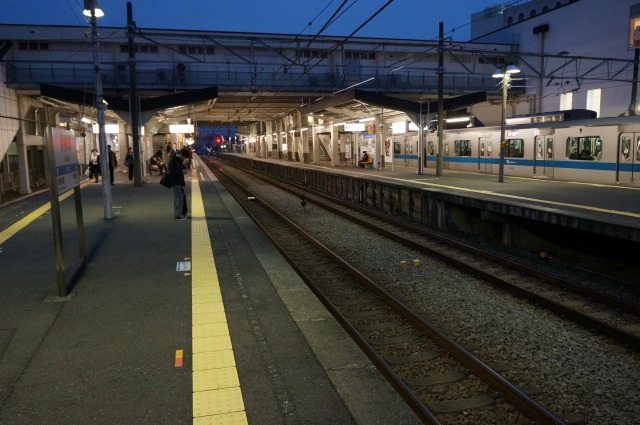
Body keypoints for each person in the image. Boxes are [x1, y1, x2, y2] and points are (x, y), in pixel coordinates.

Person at [167, 145, 188, 220]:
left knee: (177, 198)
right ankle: (179, 214)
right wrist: (180, 170)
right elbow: (172, 172)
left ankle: (177, 214)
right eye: (184, 157)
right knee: (179, 198)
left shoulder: (176, 160)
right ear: (181, 155)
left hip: (176, 182)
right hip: (175, 182)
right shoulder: (174, 161)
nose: (184, 159)